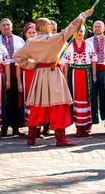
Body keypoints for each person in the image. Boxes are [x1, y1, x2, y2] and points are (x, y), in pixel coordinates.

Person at [13, 9, 94, 146]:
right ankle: (60, 138)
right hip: (53, 73)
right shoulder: (53, 39)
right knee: (58, 105)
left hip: (39, 74)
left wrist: (32, 65)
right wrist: (82, 16)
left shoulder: (30, 42)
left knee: (38, 105)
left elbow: (17, 57)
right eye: (49, 25)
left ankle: (31, 137)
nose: (51, 26)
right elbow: (69, 30)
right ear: (43, 27)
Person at [63, 25, 97, 137]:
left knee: (87, 98)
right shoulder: (69, 46)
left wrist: (94, 75)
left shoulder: (89, 45)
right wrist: (66, 76)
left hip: (86, 73)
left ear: (84, 32)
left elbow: (93, 61)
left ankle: (86, 126)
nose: (79, 33)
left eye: (81, 31)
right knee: (75, 98)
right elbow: (66, 63)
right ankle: (78, 126)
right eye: (77, 31)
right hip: (74, 73)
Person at [0, 18, 26, 136]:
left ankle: (16, 126)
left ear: (12, 26)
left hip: (16, 69)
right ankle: (3, 127)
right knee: (4, 99)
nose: (6, 27)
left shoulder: (19, 40)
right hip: (1, 70)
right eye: (3, 25)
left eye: (8, 24)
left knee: (16, 98)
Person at [86, 20, 105, 129]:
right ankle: (90, 122)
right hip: (90, 71)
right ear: (92, 29)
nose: (97, 28)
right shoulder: (87, 42)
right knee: (91, 96)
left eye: (99, 26)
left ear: (103, 28)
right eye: (95, 27)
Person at [16, 22, 41, 140]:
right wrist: (20, 83)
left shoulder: (41, 46)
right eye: (29, 32)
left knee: (39, 101)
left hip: (39, 75)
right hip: (27, 76)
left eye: (33, 32)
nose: (32, 34)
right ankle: (31, 128)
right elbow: (18, 67)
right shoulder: (22, 47)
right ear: (25, 34)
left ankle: (39, 129)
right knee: (29, 101)